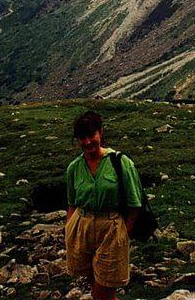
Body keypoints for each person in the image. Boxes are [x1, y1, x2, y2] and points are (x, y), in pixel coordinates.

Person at [65, 110, 143, 300]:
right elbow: (72, 203)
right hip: (82, 226)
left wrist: (124, 234)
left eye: (91, 135)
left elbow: (134, 205)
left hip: (111, 228)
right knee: (98, 287)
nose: (87, 142)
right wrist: (69, 230)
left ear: (101, 132)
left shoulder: (120, 162)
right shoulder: (74, 167)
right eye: (82, 138)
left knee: (102, 292)